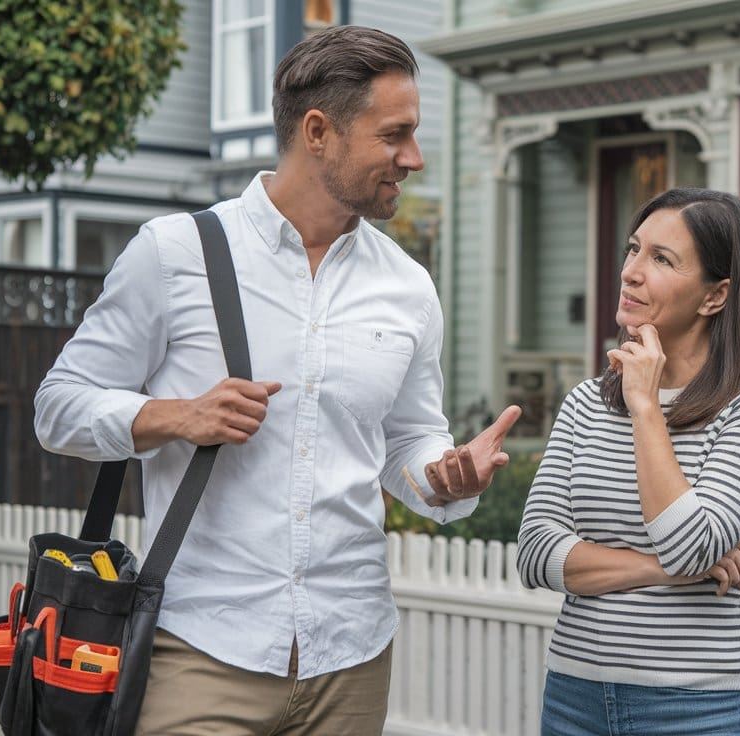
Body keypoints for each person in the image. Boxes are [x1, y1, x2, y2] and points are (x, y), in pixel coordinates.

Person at [34, 25, 519, 735]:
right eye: (395, 135)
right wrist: (174, 416)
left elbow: (408, 438)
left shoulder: (409, 287)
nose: (413, 158)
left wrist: (443, 477)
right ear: (318, 131)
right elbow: (58, 408)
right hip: (200, 647)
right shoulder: (174, 254)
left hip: (352, 655)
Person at [517, 188, 740, 736]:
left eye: (661, 259)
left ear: (715, 297)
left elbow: (687, 541)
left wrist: (646, 406)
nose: (631, 272)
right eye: (633, 249)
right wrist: (670, 569)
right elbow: (534, 552)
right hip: (575, 697)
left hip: (700, 708)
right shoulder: (586, 402)